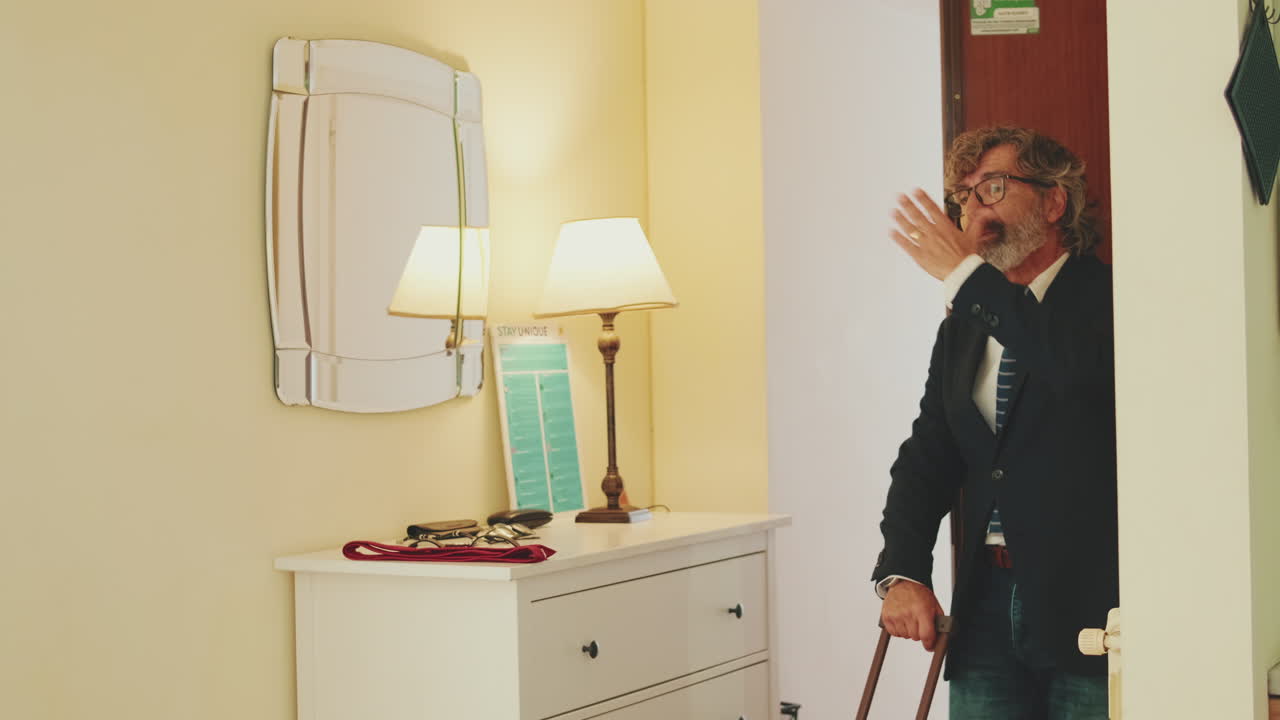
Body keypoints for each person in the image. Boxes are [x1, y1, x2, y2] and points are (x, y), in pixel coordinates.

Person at [872, 126, 1118, 719]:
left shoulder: (1107, 299)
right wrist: (901, 571)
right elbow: (928, 453)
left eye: (993, 189)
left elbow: (1068, 369)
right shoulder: (964, 323)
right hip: (983, 604)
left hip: (1090, 610)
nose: (972, 211)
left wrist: (964, 275)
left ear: (1054, 202)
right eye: (964, 196)